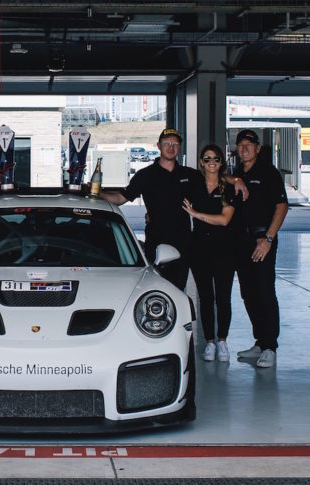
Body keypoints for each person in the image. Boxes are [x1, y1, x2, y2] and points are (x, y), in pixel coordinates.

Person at [100, 128, 204, 291]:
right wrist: (95, 192)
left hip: (182, 244)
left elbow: (215, 176)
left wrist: (235, 179)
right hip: (156, 243)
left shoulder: (191, 175)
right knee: (155, 291)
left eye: (175, 143)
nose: (171, 147)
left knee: (177, 291)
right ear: (158, 146)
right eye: (166, 143)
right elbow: (120, 198)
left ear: (180, 147)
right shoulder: (145, 175)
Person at [231, 128, 288, 369]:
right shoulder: (236, 172)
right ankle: (259, 342)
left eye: (249, 145)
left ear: (257, 148)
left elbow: (282, 207)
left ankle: (270, 347)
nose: (244, 149)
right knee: (248, 293)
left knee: (265, 292)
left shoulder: (268, 172)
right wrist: (235, 179)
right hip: (241, 242)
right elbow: (218, 174)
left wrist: (269, 239)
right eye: (240, 145)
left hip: (262, 241)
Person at [182, 143, 237, 363]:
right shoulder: (194, 185)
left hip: (225, 249)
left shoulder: (229, 188)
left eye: (215, 158)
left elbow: (224, 220)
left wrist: (196, 214)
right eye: (207, 159)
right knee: (205, 298)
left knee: (223, 298)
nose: (211, 162)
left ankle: (222, 341)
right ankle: (210, 343)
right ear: (201, 163)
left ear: (221, 162)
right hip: (199, 250)